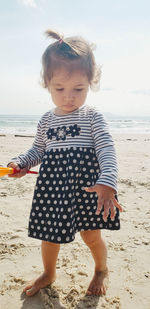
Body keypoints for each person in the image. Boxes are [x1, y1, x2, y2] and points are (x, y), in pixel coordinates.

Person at [8, 29, 123, 297]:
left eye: (78, 89)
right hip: (53, 191)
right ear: (47, 84)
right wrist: (20, 163)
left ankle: (101, 269)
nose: (68, 96)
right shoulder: (46, 120)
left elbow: (107, 149)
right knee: (49, 236)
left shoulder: (92, 117)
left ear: (90, 82)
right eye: (59, 88)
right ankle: (49, 273)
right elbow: (37, 150)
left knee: (91, 236)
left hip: (88, 191)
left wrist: (107, 181)